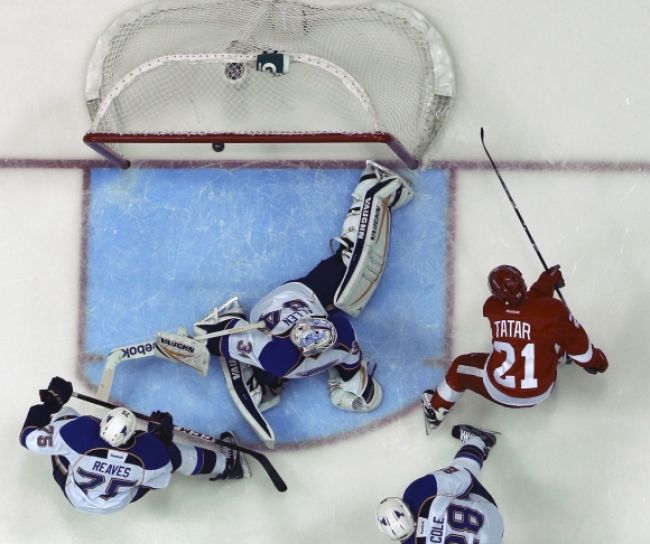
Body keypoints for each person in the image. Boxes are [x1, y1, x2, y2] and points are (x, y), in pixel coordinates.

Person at [168, 160, 413, 415]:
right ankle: (374, 190)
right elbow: (351, 365)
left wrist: (194, 343)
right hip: (304, 296)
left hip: (285, 301)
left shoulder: (278, 357)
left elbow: (219, 337)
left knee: (354, 277)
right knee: (355, 276)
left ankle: (375, 188)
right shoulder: (339, 335)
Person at [19, 376, 250, 514]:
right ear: (133, 435)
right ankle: (227, 465)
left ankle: (225, 465)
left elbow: (27, 437)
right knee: (175, 458)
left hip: (78, 496)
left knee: (64, 414)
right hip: (116, 502)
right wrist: (161, 440)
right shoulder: (152, 457)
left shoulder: (76, 433)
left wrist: (51, 404)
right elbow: (157, 479)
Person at [421, 264, 609, 432]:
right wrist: (597, 362)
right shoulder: (552, 311)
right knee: (552, 338)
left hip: (499, 389)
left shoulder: (492, 308)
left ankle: (435, 410)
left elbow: (525, 307)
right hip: (541, 390)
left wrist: (544, 284)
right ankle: (563, 356)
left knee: (460, 366)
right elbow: (582, 351)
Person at [376, 424, 504, 543]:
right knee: (462, 470)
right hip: (491, 515)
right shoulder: (416, 493)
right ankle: (480, 440)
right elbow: (464, 477)